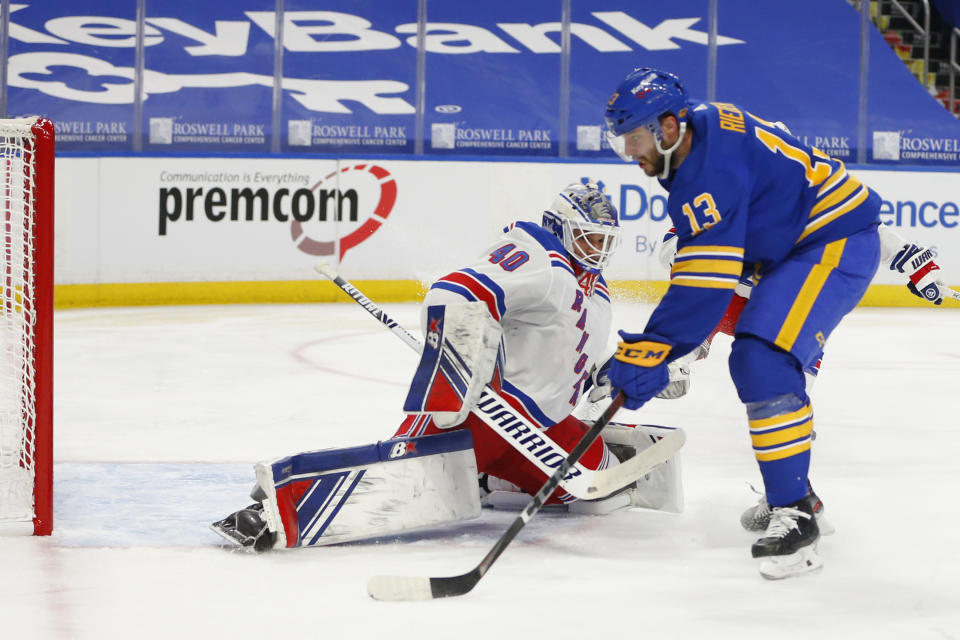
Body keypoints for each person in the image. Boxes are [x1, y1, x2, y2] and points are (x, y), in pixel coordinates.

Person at [211, 181, 663, 552]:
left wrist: (614, 373)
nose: (598, 250)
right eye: (590, 237)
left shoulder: (596, 290)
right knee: (396, 482)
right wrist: (460, 376)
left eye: (606, 241)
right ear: (559, 227)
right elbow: (455, 292)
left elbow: (572, 363)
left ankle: (489, 479)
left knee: (598, 485)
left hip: (542, 431)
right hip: (488, 416)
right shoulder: (540, 261)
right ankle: (275, 506)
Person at [602, 67, 885, 579]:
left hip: (833, 242)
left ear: (668, 127)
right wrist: (659, 347)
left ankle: (796, 515)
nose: (628, 151)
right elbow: (703, 272)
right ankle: (797, 498)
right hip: (793, 250)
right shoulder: (699, 133)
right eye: (621, 138)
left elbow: (707, 283)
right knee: (759, 360)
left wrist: (653, 350)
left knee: (763, 359)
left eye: (635, 136)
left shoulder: (709, 168)